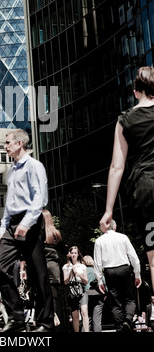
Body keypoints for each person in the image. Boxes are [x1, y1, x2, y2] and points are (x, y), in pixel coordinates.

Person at [99, 66, 154, 294]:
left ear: (135, 92)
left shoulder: (125, 120)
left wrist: (108, 209)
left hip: (145, 189)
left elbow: (116, 166)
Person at [0, 129, 54, 333]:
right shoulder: (11, 169)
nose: (5, 145)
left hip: (31, 222)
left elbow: (40, 198)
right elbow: (9, 203)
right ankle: (17, 316)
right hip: (12, 225)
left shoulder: (34, 166)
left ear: (19, 143)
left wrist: (27, 223)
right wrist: (3, 228)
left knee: (38, 274)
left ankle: (46, 323)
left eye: (8, 142)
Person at [94, 219, 141, 332]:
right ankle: (128, 320)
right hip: (124, 268)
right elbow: (134, 257)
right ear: (115, 227)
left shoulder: (99, 241)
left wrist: (100, 280)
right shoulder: (123, 237)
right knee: (130, 298)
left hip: (109, 271)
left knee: (115, 301)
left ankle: (119, 326)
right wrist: (137, 274)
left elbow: (97, 263)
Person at [42, 209, 68, 328]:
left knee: (42, 296)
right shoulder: (56, 234)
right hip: (53, 268)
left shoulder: (38, 234)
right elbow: (64, 251)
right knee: (53, 296)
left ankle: (47, 320)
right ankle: (53, 318)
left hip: (41, 268)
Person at [63, 246, 89, 332]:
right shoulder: (66, 267)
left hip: (81, 289)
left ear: (78, 254)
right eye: (72, 253)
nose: (74, 255)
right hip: (72, 290)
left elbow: (86, 281)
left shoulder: (82, 266)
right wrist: (70, 272)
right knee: (75, 316)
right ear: (69, 254)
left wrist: (79, 275)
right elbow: (65, 282)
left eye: (75, 253)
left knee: (84, 312)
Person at [83, 255, 105, 332]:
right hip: (97, 296)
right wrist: (104, 295)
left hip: (85, 297)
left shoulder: (82, 270)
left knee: (85, 320)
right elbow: (104, 284)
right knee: (97, 321)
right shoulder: (97, 271)